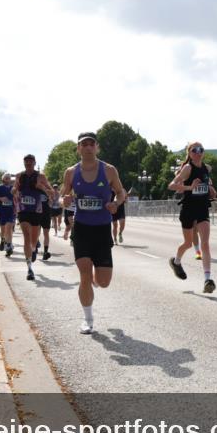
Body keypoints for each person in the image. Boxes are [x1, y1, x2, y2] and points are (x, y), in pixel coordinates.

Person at [60, 132, 126, 333]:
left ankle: (96, 281)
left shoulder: (108, 170)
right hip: (81, 229)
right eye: (84, 144)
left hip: (102, 229)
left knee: (103, 282)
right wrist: (65, 200)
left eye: (91, 144)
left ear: (96, 147)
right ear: (78, 148)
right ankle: (87, 319)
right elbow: (63, 195)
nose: (88, 147)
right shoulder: (71, 172)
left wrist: (116, 203)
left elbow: (121, 192)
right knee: (84, 275)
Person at [168, 142, 217, 293]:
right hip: (188, 209)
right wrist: (189, 187)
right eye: (194, 150)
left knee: (205, 244)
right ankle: (176, 262)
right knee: (188, 243)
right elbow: (171, 185)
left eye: (200, 149)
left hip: (202, 208)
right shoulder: (187, 168)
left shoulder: (206, 168)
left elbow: (207, 183)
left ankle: (207, 280)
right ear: (189, 153)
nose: (198, 152)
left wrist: (211, 189)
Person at [15, 154, 53, 280]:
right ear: (23, 163)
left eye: (31, 162)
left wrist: (41, 187)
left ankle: (33, 248)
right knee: (26, 236)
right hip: (23, 210)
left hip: (36, 210)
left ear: (35, 163)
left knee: (33, 240)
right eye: (26, 162)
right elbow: (14, 190)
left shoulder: (40, 176)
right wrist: (14, 191)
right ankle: (29, 268)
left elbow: (51, 191)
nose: (28, 164)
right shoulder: (19, 176)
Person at [0, 173, 16, 256]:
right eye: (6, 178)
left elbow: (16, 198)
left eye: (8, 178)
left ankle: (9, 246)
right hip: (2, 211)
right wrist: (0, 198)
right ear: (3, 179)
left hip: (11, 211)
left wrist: (16, 208)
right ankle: (3, 240)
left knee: (9, 229)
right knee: (3, 231)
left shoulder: (13, 189)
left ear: (10, 180)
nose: (7, 179)